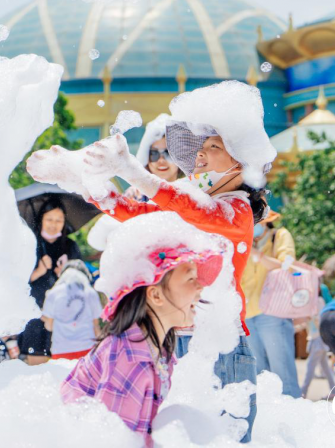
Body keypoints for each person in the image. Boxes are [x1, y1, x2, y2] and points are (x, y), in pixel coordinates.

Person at [29, 81, 276, 442]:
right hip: (175, 337)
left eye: (214, 146)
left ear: (240, 161)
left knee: (223, 440)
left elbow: (189, 209)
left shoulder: (237, 210)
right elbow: (138, 213)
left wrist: (131, 170)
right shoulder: (199, 203)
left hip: (220, 346)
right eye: (201, 146)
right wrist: (86, 184)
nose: (201, 154)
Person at [61, 229, 223, 446]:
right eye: (190, 278)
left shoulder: (157, 351)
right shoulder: (130, 357)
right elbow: (112, 441)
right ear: (155, 295)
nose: (200, 286)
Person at [241, 209, 301, 398]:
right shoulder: (243, 239)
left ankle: (292, 413)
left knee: (283, 373)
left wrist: (257, 255)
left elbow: (288, 266)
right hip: (246, 314)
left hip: (274, 312)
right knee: (258, 374)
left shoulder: (280, 236)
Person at [20, 196, 82, 365]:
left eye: (58, 220)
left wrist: (66, 274)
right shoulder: (30, 245)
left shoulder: (70, 246)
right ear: (41, 219)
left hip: (64, 317)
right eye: (49, 219)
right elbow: (17, 282)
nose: (53, 224)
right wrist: (38, 271)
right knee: (37, 367)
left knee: (64, 367)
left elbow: (81, 283)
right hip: (36, 314)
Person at [41, 260, 102, 360]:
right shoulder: (90, 292)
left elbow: (49, 326)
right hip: (87, 348)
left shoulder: (54, 293)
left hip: (61, 350)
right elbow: (96, 326)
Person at [126, 114, 182, 200]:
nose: (161, 160)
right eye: (154, 153)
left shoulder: (193, 195)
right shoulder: (136, 198)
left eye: (168, 153)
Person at [299, 290, 335, 399]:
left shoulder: (318, 301)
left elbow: (318, 319)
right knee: (326, 368)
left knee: (310, 367)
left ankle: (303, 393)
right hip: (318, 338)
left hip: (318, 339)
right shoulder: (312, 300)